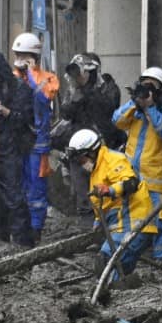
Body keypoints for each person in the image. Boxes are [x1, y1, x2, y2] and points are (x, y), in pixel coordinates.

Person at [65, 128, 157, 278]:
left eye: (82, 160)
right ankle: (120, 289)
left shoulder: (112, 160)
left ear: (91, 152)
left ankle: (113, 293)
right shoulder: (96, 172)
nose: (81, 164)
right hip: (122, 228)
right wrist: (97, 221)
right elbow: (103, 204)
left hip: (134, 225)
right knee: (106, 266)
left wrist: (110, 190)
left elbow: (131, 183)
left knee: (108, 264)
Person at [112, 66, 162, 260]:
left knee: (160, 220)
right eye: (144, 86)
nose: (147, 90)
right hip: (132, 177)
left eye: (151, 87)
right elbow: (117, 120)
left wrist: (151, 108)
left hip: (156, 180)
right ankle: (130, 257)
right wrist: (135, 102)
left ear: (160, 91)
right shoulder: (135, 111)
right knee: (131, 218)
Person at [54, 52, 125, 222]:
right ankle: (87, 230)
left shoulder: (107, 87)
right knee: (83, 194)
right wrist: (75, 92)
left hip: (104, 149)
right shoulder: (74, 90)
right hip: (80, 149)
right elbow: (66, 113)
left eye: (81, 71)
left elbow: (109, 109)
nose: (77, 76)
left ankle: (108, 229)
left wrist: (89, 92)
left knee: (105, 193)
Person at [0, 52, 36, 247]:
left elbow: (25, 120)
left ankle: (23, 243)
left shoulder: (20, 89)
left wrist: (0, 109)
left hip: (12, 146)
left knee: (13, 196)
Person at [12, 32, 59, 243]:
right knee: (18, 185)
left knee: (36, 188)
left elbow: (43, 99)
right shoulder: (12, 77)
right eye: (18, 55)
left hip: (37, 145)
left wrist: (30, 74)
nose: (20, 60)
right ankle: (20, 228)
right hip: (17, 141)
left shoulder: (48, 78)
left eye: (25, 56)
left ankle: (36, 228)